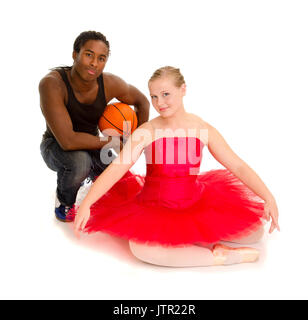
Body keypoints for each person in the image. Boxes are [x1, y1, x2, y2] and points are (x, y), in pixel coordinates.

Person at [73, 66, 280, 267]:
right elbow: (118, 167)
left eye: (165, 94)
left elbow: (237, 165)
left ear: (183, 90)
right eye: (154, 97)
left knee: (255, 232)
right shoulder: (148, 131)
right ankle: (218, 256)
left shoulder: (201, 128)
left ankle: (193, 238)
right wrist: (88, 203)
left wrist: (268, 197)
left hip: (194, 200)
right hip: (155, 206)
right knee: (141, 249)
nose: (159, 103)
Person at [39, 31, 150, 222]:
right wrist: (112, 141)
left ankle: (88, 179)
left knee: (122, 178)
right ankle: (64, 200)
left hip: (93, 143)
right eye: (88, 54)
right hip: (56, 146)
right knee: (80, 163)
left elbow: (142, 102)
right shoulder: (52, 84)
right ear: (75, 54)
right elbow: (68, 141)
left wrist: (134, 142)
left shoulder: (109, 83)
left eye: (101, 58)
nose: (94, 63)